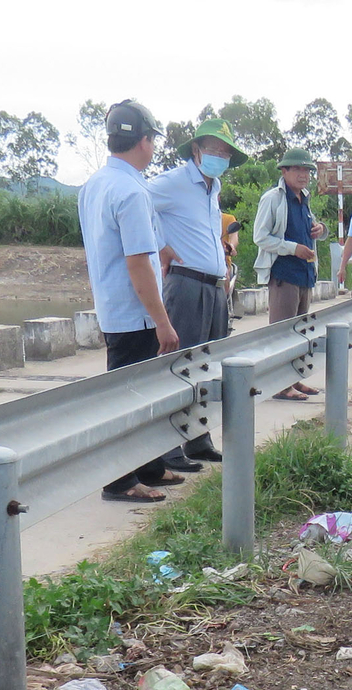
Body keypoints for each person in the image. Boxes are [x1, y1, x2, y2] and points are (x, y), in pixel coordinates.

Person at [78, 99, 179, 503]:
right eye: (152, 139)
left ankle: (149, 468)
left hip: (113, 308)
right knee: (127, 402)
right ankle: (119, 480)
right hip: (136, 315)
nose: (153, 146)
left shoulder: (95, 185)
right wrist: (163, 320)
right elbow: (138, 263)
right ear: (144, 141)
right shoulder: (132, 192)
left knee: (140, 396)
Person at [150, 116, 249, 467]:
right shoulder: (173, 183)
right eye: (213, 149)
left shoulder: (214, 187)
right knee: (180, 366)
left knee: (206, 366)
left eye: (225, 151)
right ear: (196, 150)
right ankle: (169, 447)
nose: (219, 156)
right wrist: (160, 245)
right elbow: (137, 204)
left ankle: (197, 438)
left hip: (213, 287)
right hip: (186, 282)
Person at [252, 147, 327, 399]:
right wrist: (292, 248)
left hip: (305, 274)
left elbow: (312, 229)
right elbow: (260, 237)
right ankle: (279, 385)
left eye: (306, 169)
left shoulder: (304, 198)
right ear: (284, 171)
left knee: (299, 333)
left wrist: (320, 229)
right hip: (284, 274)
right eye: (296, 169)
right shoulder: (273, 198)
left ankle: (294, 379)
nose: (303, 174)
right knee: (281, 333)